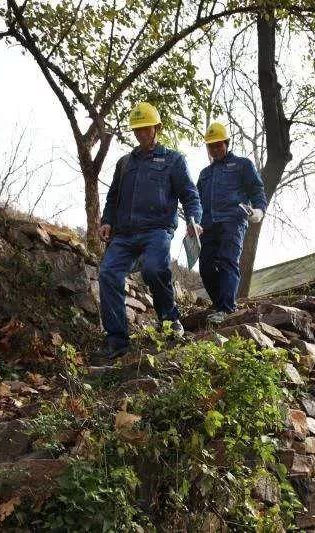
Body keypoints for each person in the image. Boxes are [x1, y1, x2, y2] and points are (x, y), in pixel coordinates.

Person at [97, 102, 202, 360]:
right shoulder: (124, 164)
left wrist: (194, 219)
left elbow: (190, 195)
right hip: (123, 234)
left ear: (157, 128)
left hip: (157, 230)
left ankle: (169, 320)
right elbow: (113, 198)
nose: (141, 134)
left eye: (146, 129)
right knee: (108, 273)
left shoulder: (173, 160)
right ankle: (117, 339)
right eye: (137, 130)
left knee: (154, 269)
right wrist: (107, 220)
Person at [197, 122, 267, 324]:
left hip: (233, 221)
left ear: (226, 143)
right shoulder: (205, 174)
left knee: (228, 261)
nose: (215, 149)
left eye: (218, 145)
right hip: (208, 225)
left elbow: (256, 189)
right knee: (206, 267)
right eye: (211, 146)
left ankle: (226, 308)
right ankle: (220, 303)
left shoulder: (242, 165)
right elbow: (196, 200)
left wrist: (259, 210)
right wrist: (193, 225)